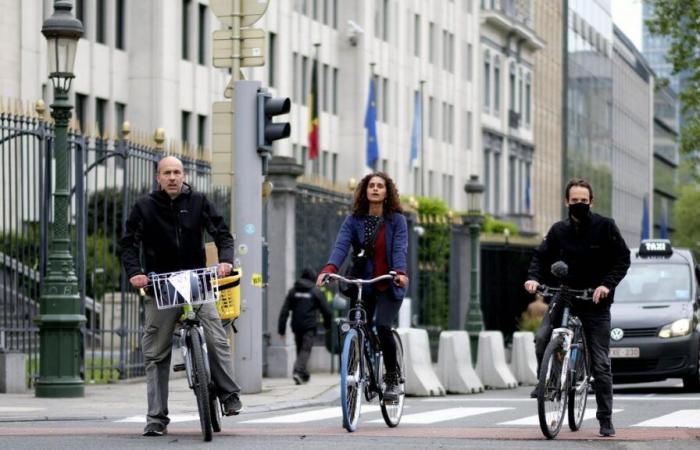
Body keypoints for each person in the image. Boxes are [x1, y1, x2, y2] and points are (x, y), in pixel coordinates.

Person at [120, 156, 242, 437]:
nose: (172, 177)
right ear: (158, 178)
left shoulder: (199, 201)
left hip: (196, 281)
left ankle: (228, 394)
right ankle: (156, 418)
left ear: (183, 175)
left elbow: (223, 234)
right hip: (160, 285)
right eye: (167, 173)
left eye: (177, 172)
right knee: (155, 353)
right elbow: (129, 244)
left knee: (215, 335)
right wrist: (136, 272)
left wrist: (225, 261)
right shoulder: (144, 207)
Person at [524, 178, 630, 438]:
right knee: (541, 339)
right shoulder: (559, 230)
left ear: (591, 201)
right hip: (566, 294)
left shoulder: (606, 227)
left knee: (601, 362)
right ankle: (547, 382)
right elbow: (541, 255)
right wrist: (533, 278)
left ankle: (605, 419)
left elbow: (622, 259)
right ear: (566, 202)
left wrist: (606, 285)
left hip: (595, 301)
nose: (579, 204)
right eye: (574, 201)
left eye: (583, 201)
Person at [315, 172, 409, 402]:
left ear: (387, 192)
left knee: (383, 327)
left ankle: (391, 378)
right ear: (365, 191)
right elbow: (341, 247)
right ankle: (357, 364)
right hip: (362, 284)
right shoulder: (353, 220)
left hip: (387, 283)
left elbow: (399, 249)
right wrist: (329, 269)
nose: (375, 189)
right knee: (355, 325)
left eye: (380, 186)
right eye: (371, 186)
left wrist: (399, 272)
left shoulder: (397, 220)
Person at [278, 267, 333, 385]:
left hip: (296, 325)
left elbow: (284, 311)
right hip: (309, 326)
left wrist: (281, 329)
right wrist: (328, 325)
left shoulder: (293, 291)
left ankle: (303, 374)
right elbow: (326, 310)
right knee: (305, 349)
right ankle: (298, 371)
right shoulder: (315, 291)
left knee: (300, 349)